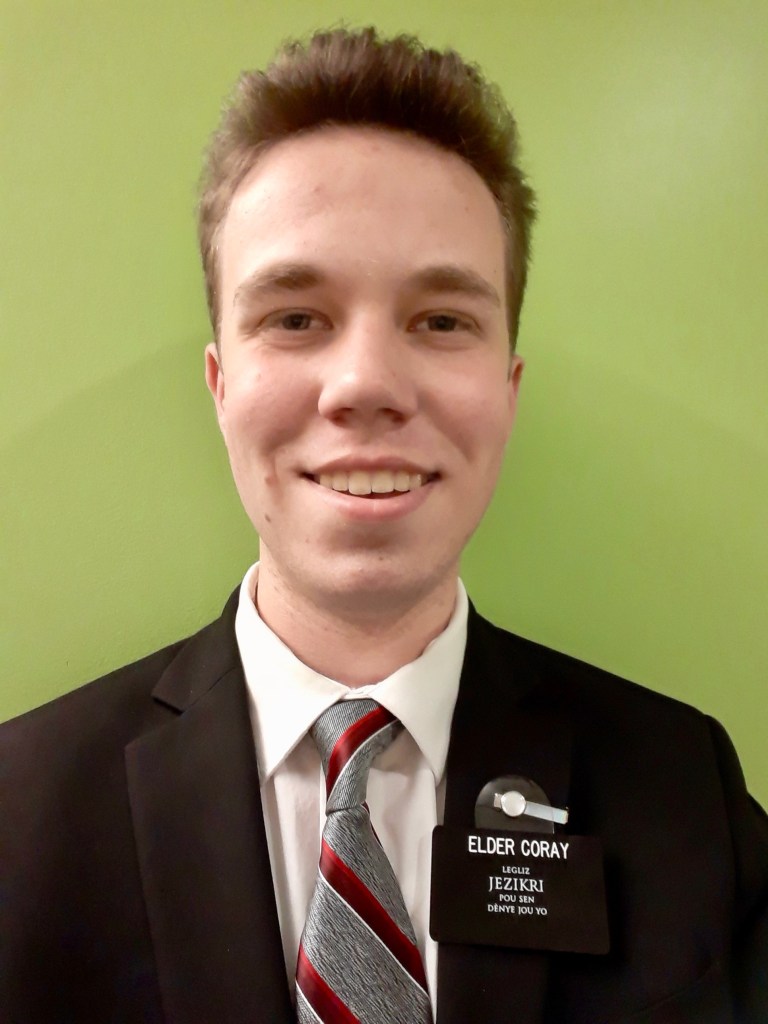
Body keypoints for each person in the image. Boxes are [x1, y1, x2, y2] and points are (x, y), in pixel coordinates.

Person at [1, 26, 766, 1024]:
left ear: (508, 390)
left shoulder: (688, 796)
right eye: (296, 318)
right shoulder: (18, 816)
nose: (366, 384)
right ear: (220, 385)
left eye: (441, 321)